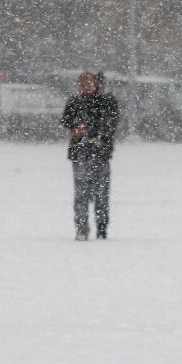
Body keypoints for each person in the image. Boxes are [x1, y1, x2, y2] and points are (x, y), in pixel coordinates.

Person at [61, 71, 120, 240]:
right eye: (83, 83)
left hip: (100, 153)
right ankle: (81, 228)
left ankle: (101, 227)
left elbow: (109, 124)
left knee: (101, 193)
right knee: (81, 193)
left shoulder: (106, 102)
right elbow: (66, 120)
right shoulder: (75, 101)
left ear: (97, 84)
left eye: (90, 83)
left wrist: (89, 132)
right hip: (80, 153)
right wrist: (76, 127)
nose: (86, 86)